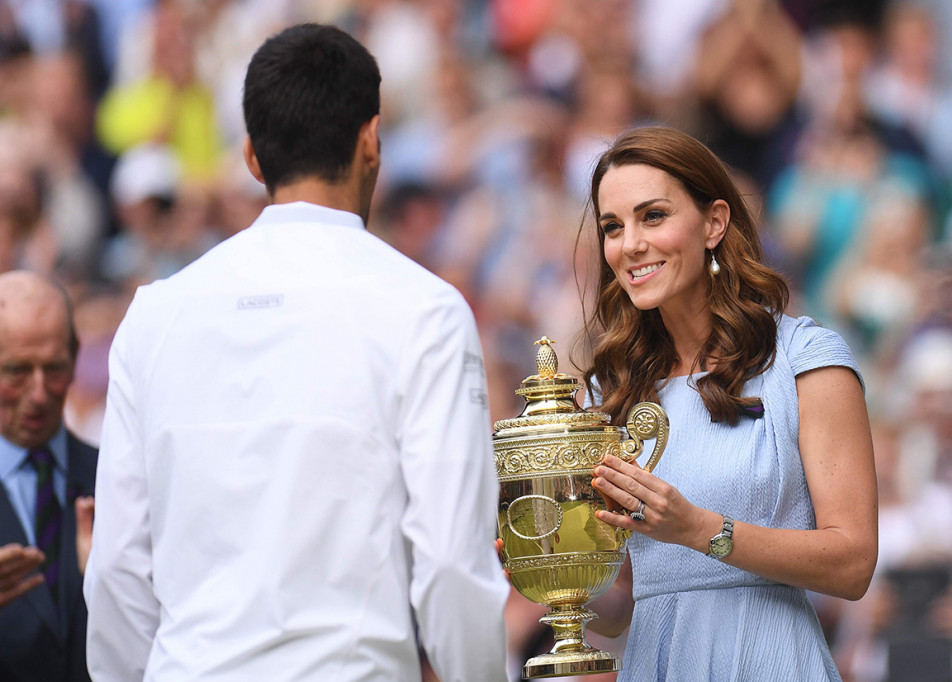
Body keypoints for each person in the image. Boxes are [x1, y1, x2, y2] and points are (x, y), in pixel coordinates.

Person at [84, 23, 509, 682]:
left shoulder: (155, 316)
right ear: (372, 141)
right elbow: (453, 560)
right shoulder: (426, 310)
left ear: (251, 157)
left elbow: (115, 567)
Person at [579, 126, 878, 680]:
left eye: (653, 216)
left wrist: (697, 529)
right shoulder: (609, 393)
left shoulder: (805, 358)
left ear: (714, 223)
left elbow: (854, 562)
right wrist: (557, 577)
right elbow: (621, 604)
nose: (631, 245)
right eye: (612, 227)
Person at [0, 270, 98, 682]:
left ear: (76, 358)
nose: (39, 393)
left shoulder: (117, 480)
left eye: (54, 368)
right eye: (17, 370)